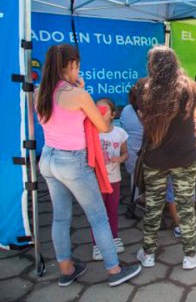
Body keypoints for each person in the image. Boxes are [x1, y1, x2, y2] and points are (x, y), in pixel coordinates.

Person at [36, 44, 141, 287]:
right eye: (77, 65)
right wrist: (82, 91)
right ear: (70, 65)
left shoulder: (40, 91)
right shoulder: (77, 95)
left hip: (48, 159)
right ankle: (114, 270)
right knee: (98, 217)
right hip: (72, 161)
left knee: (60, 218)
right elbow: (103, 127)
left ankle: (66, 269)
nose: (78, 70)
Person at [136, 45, 196, 270]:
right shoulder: (189, 88)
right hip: (185, 156)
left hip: (154, 157)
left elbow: (142, 118)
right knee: (186, 205)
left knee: (153, 206)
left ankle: (148, 254)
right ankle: (190, 255)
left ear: (151, 65)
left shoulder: (143, 88)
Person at [92, 98, 129, 261]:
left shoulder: (119, 133)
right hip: (96, 180)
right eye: (96, 109)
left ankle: (114, 238)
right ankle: (97, 245)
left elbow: (125, 153)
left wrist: (120, 159)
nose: (99, 112)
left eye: (104, 110)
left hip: (115, 178)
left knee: (112, 210)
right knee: (98, 213)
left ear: (113, 114)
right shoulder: (91, 132)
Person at [120, 79, 146, 199]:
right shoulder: (152, 111)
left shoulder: (126, 110)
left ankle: (135, 202)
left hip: (131, 155)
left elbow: (124, 129)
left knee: (134, 181)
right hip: (147, 155)